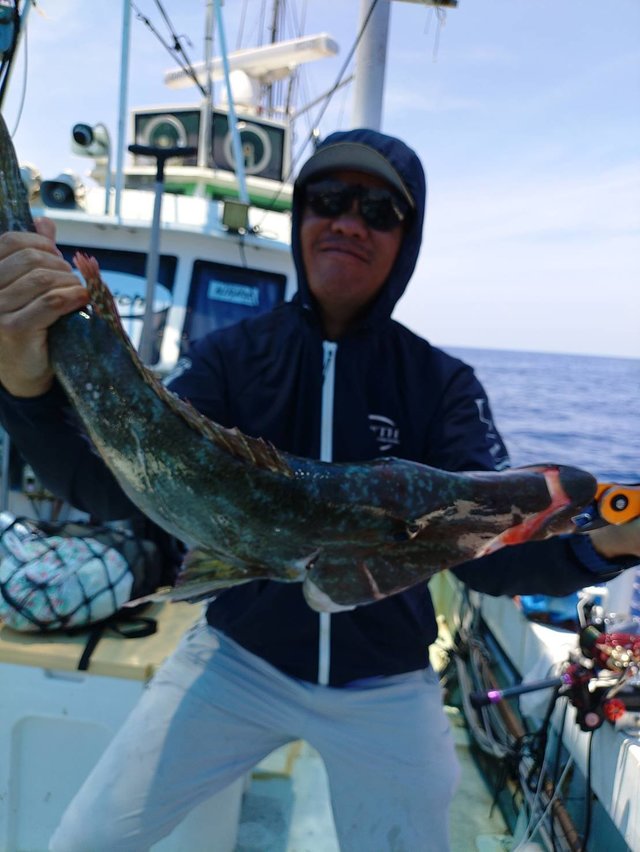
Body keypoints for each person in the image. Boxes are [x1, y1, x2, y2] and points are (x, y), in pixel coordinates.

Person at [0, 128, 638, 852]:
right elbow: (112, 490)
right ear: (303, 215)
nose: (349, 222)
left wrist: (619, 539)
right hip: (237, 659)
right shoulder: (230, 358)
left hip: (386, 687)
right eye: (329, 199)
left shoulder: (441, 385)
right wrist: (22, 381)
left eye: (380, 211)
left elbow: (489, 559)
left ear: (406, 241)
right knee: (84, 840)